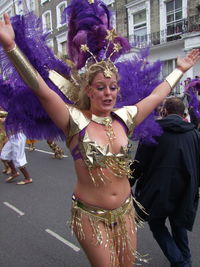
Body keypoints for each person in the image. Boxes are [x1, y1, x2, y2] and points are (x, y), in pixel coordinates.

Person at [0, 4, 199, 267]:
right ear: (89, 91)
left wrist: (180, 69)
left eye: (112, 87)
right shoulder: (74, 120)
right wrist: (11, 48)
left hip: (126, 210)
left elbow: (155, 96)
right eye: (100, 87)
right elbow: (43, 90)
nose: (108, 93)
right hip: (90, 216)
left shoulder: (125, 117)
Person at [132, 97, 200, 267]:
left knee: (156, 224)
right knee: (179, 224)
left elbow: (139, 163)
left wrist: (127, 182)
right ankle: (186, 260)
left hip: (158, 188)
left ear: (164, 111)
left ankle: (179, 261)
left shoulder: (152, 131)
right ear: (182, 113)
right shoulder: (195, 134)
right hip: (186, 188)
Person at [0, 108, 11, 174]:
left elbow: (5, 119)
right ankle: (6, 166)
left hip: (4, 136)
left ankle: (10, 167)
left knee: (5, 153)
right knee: (1, 154)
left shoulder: (4, 113)